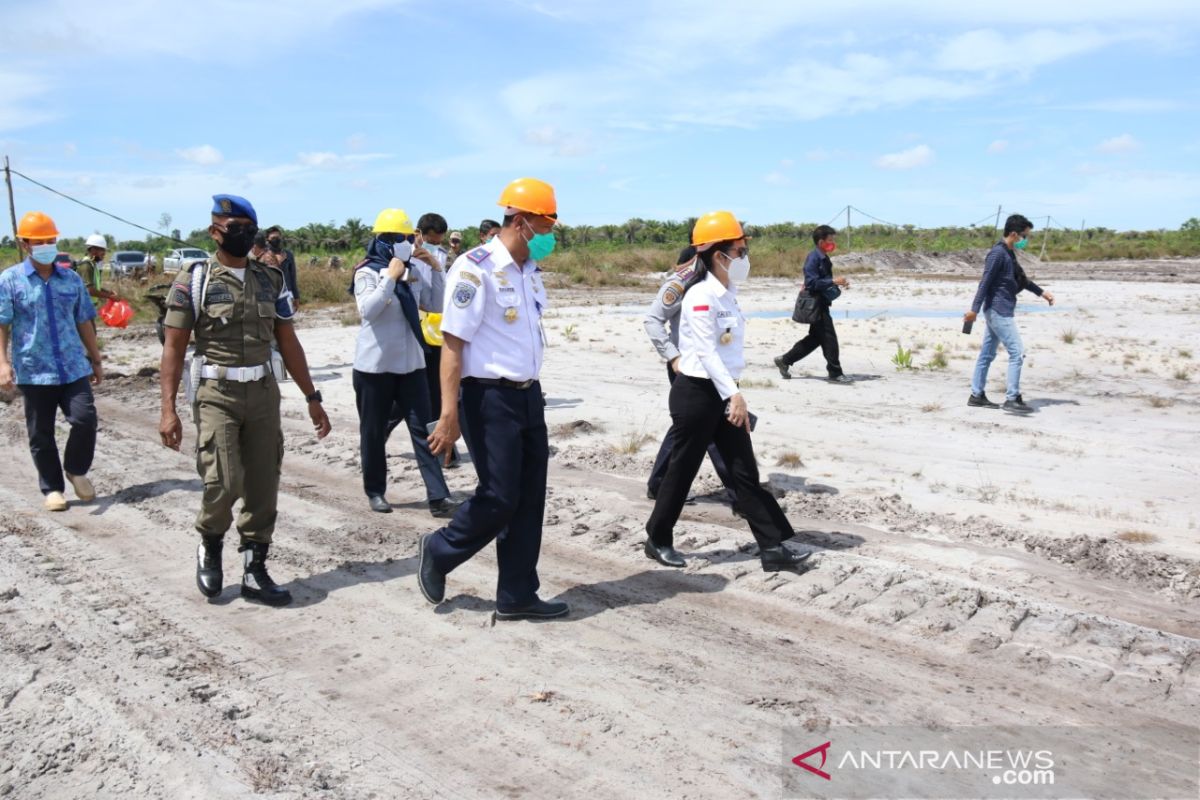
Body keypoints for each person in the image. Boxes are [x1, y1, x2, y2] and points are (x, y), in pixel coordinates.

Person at [158, 194, 331, 607]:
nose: (242, 234)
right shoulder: (194, 279)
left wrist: (312, 396)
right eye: (233, 226)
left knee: (262, 481)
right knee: (224, 478)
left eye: (247, 228)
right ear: (215, 230)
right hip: (216, 392)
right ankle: (211, 541)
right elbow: (174, 347)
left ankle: (255, 568)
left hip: (263, 392)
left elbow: (288, 340)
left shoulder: (269, 279)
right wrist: (168, 409)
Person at [422, 177, 567, 621]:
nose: (550, 237)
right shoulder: (475, 267)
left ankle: (517, 595)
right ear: (521, 222)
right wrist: (449, 415)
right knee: (501, 497)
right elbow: (452, 345)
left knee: (529, 499)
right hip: (487, 398)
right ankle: (441, 548)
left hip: (529, 396)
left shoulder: (529, 271)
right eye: (545, 226)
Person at [644, 211, 810, 573]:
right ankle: (657, 538)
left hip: (720, 390)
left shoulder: (727, 292)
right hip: (696, 394)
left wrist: (731, 391)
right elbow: (705, 351)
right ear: (717, 255)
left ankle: (772, 547)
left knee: (742, 471)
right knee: (682, 470)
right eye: (738, 250)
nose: (743, 257)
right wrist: (733, 395)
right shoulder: (700, 295)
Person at [351, 208, 458, 517]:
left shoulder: (414, 270)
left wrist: (436, 269)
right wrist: (390, 278)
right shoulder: (367, 272)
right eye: (397, 238)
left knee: (426, 431)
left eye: (407, 238)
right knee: (372, 432)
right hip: (375, 368)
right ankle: (375, 491)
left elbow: (436, 304)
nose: (404, 243)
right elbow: (368, 311)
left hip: (411, 365)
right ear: (383, 241)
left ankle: (439, 497)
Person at [0, 211, 103, 512]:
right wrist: (3, 364)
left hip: (72, 366)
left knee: (85, 419)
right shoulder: (10, 281)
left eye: (50, 240)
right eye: (39, 241)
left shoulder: (70, 279)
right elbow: (2, 323)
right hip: (34, 369)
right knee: (41, 432)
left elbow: (84, 320)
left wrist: (96, 359)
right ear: (25, 244)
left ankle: (76, 469)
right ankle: (53, 489)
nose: (46, 245)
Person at [644, 244, 739, 511]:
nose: (740, 257)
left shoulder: (723, 282)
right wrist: (673, 356)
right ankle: (740, 495)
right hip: (688, 369)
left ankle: (659, 483)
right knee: (711, 429)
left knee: (687, 428)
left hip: (715, 366)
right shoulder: (683, 280)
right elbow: (652, 320)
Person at [964, 214, 1056, 414]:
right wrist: (974, 309)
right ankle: (1012, 398)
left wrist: (1042, 293)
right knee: (1017, 353)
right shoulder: (997, 254)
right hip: (998, 310)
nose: (1026, 240)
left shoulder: (1009, 253)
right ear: (1014, 234)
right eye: (1024, 236)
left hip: (999, 310)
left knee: (986, 355)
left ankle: (976, 395)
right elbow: (985, 283)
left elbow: (1022, 280)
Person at [410, 212, 463, 469]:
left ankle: (446, 450)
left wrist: (435, 266)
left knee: (433, 389)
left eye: (438, 240)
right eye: (431, 239)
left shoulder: (438, 256)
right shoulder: (404, 255)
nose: (434, 244)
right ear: (419, 233)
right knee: (418, 393)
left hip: (433, 330)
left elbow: (440, 298)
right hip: (412, 332)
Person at [773, 225, 852, 384]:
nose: (833, 243)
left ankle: (785, 360)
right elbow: (811, 282)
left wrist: (837, 284)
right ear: (821, 241)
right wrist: (833, 281)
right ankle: (835, 372)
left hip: (821, 302)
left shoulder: (823, 257)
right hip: (815, 304)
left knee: (815, 338)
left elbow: (820, 281)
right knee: (829, 338)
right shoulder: (813, 257)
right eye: (830, 240)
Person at [76, 233, 120, 312]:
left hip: (88, 307)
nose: (104, 253)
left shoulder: (93, 265)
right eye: (102, 250)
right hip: (83, 309)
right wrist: (109, 296)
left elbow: (94, 287)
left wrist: (108, 292)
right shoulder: (86, 266)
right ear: (93, 250)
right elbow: (89, 290)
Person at [262, 226, 299, 304]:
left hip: (287, 293)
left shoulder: (288, 254)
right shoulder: (262, 254)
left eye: (278, 237)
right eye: (273, 237)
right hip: (268, 294)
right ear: (267, 239)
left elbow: (293, 277)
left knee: (286, 316)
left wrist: (296, 296)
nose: (276, 239)